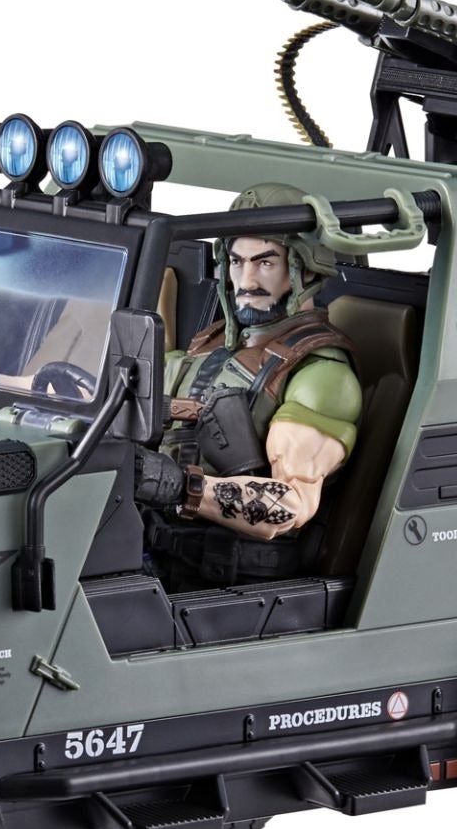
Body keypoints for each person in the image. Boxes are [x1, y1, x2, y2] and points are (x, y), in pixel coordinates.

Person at [134, 185, 362, 588]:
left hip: (224, 575)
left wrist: (179, 486)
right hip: (153, 547)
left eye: (265, 263)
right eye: (237, 262)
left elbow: (288, 505)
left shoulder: (321, 374)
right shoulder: (214, 344)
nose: (246, 280)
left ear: (306, 270)